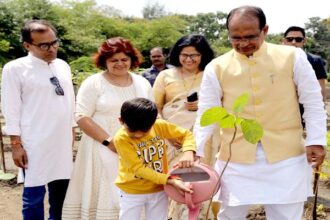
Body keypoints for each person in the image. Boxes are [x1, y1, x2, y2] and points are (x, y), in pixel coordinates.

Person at [194, 6, 327, 220]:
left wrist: (317, 139)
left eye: (250, 36)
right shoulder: (216, 67)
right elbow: (207, 112)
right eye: (235, 38)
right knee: (230, 215)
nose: (243, 43)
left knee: (286, 215)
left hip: (287, 156)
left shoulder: (292, 57)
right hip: (235, 158)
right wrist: (195, 149)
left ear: (265, 30)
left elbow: (312, 101)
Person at [61, 37, 153, 219]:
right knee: (105, 194)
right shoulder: (94, 83)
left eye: (124, 59)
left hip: (136, 148)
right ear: (104, 61)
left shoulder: (142, 83)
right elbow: (81, 116)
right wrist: (109, 142)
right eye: (114, 60)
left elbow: (152, 114)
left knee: (132, 199)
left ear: (132, 60)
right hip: (100, 146)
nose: (120, 64)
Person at [1, 20, 75, 220]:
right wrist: (16, 144)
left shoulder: (62, 66)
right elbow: (11, 109)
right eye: (44, 45)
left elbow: (69, 104)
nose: (51, 49)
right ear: (27, 45)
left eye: (54, 42)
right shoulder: (14, 68)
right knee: (33, 196)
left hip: (61, 143)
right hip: (34, 142)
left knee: (62, 194)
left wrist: (71, 134)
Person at [153, 34, 221, 219]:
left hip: (204, 139)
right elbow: (155, 108)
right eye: (185, 54)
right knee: (174, 180)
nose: (189, 59)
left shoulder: (211, 73)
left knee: (202, 180)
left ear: (203, 55)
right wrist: (167, 135)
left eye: (194, 55)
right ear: (177, 54)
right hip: (171, 140)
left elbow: (222, 103)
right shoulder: (165, 75)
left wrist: (203, 106)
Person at [113, 97, 195, 220]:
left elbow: (186, 134)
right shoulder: (121, 138)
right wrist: (169, 180)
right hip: (132, 191)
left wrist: (188, 151)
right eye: (132, 130)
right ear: (121, 121)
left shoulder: (159, 126)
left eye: (145, 131)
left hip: (159, 188)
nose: (138, 135)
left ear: (153, 122)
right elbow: (138, 168)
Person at [282, 26, 327, 101]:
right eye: (289, 39)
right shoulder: (276, 60)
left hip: (307, 106)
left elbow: (321, 89)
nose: (293, 42)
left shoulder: (315, 60)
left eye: (298, 39)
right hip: (284, 107)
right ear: (284, 41)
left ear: (304, 41)